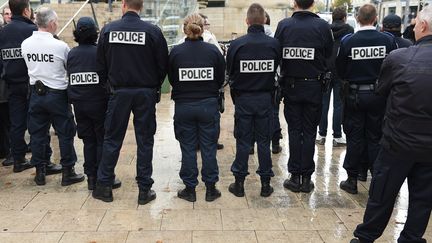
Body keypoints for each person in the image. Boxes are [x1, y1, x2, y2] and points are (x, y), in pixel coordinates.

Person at [351, 5, 432, 243]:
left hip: (398, 142)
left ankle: (366, 237)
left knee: (382, 193)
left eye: (416, 22)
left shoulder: (399, 58)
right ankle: (411, 238)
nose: (414, 26)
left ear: (423, 26)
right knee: (423, 197)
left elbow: (382, 91)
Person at [92, 0, 168, 204]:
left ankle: (104, 186)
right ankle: (144, 190)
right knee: (145, 140)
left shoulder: (108, 30)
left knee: (112, 139)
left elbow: (100, 65)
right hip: (145, 92)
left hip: (119, 92)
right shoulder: (152, 32)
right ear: (141, 6)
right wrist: (153, 85)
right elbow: (163, 65)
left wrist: (109, 85)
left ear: (124, 5)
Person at [336, 4, 397, 194]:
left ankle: (352, 179)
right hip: (379, 96)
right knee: (375, 137)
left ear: (358, 18)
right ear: (376, 18)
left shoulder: (348, 41)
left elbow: (340, 70)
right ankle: (377, 179)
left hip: (355, 96)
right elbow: (394, 67)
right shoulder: (387, 40)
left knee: (355, 137)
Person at [275, 0, 333, 193]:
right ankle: (307, 178)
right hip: (314, 86)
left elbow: (276, 54)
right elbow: (329, 56)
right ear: (313, 3)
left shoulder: (284, 25)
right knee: (309, 132)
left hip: (291, 86)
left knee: (294, 131)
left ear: (294, 3)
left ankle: (295, 176)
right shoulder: (322, 26)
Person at [22, 7, 84, 186]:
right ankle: (68, 171)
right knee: (65, 133)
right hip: (57, 94)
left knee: (37, 133)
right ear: (51, 24)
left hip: (35, 93)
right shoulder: (60, 46)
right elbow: (67, 67)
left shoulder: (26, 44)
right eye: (55, 22)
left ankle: (40, 171)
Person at [168, 13, 225, 202]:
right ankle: (210, 189)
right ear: (203, 28)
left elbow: (173, 80)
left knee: (188, 148)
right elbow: (220, 79)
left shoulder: (176, 52)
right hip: (208, 105)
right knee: (209, 147)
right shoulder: (213, 52)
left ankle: (190, 189)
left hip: (184, 106)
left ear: (185, 28)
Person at [227, 3, 281, 197]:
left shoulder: (236, 45)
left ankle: (239, 184)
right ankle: (265, 184)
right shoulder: (274, 44)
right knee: (264, 143)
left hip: (244, 99)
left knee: (243, 141)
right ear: (264, 20)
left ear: (247, 21)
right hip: (265, 99)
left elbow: (230, 73)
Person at [0, 0, 60, 174]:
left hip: (11, 84)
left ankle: (18, 160)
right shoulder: (32, 31)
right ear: (26, 11)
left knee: (16, 124)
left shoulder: (3, 32)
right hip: (32, 84)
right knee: (39, 123)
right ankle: (44, 161)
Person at [66, 17, 121, 190]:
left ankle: (90, 177)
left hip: (79, 105)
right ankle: (103, 176)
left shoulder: (72, 54)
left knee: (88, 141)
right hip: (98, 103)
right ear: (95, 33)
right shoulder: (99, 52)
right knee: (101, 140)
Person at [316, 6, 353, 147]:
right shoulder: (349, 30)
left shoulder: (325, 29)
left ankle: (321, 134)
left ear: (333, 17)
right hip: (341, 71)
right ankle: (337, 136)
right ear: (344, 18)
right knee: (338, 105)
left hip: (326, 70)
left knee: (324, 104)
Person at [250, 11, 283, 155]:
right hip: (272, 82)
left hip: (251, 84)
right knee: (274, 114)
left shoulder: (247, 40)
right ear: (265, 20)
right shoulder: (276, 38)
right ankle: (275, 143)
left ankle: (250, 145)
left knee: (250, 116)